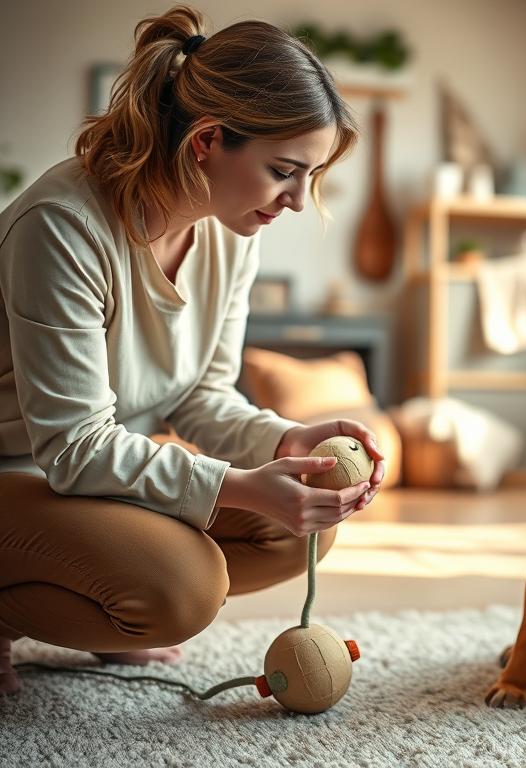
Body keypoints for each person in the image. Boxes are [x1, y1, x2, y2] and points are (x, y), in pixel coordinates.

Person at [0, 5, 385, 695]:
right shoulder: (62, 227)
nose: (298, 201)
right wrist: (239, 485)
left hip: (86, 480)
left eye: (310, 176)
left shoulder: (229, 232)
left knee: (301, 525)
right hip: (23, 472)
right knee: (182, 590)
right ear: (207, 141)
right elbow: (75, 447)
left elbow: (201, 394)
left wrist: (285, 441)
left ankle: (104, 607)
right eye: (284, 170)